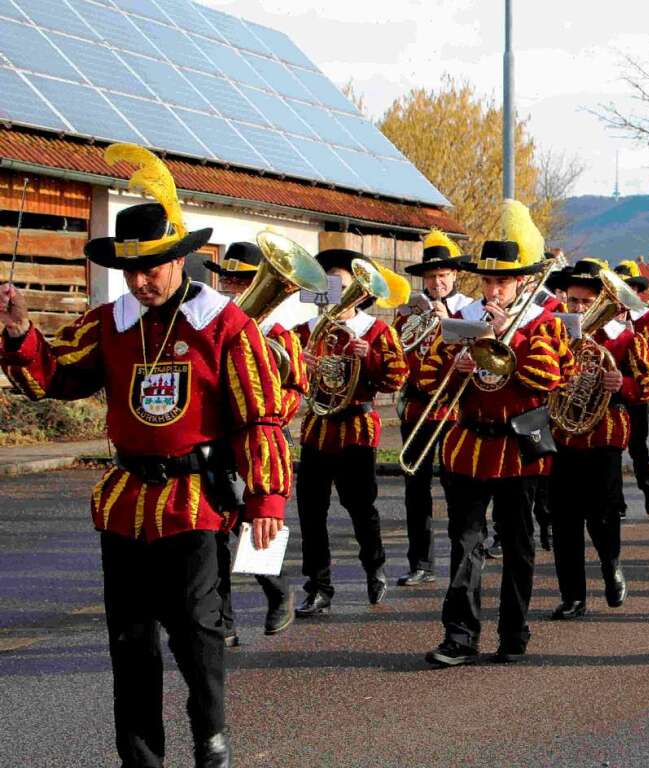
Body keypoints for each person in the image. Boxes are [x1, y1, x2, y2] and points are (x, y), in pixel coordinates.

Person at [0, 143, 289, 767]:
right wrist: (22, 332)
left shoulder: (225, 325)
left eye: (152, 267)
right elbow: (57, 376)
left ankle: (211, 739)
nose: (140, 280)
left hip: (197, 505)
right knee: (131, 645)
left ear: (178, 258)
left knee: (195, 634)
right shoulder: (111, 320)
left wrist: (267, 497)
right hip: (127, 505)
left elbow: (261, 416)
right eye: (131, 269)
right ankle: (140, 760)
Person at [420, 201, 573, 667]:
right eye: (487, 281)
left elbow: (550, 377)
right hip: (467, 445)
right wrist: (454, 360)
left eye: (501, 282)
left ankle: (513, 632)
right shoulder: (462, 322)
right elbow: (426, 378)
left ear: (521, 282)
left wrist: (511, 337)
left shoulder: (543, 323)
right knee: (465, 543)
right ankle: (460, 635)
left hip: (518, 447)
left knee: (519, 543)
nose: (492, 290)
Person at [293, 249, 409, 615]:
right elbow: (285, 378)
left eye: (343, 286)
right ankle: (319, 585)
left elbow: (396, 377)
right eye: (329, 284)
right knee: (311, 511)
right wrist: (301, 365)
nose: (335, 292)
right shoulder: (306, 330)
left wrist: (369, 356)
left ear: (360, 292)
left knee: (361, 507)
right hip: (317, 427)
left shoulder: (376, 330)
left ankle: (374, 567)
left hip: (357, 427)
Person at [205, 241, 307, 644]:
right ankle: (223, 621)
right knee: (212, 528)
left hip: (258, 438)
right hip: (214, 440)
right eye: (228, 279)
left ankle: (278, 588)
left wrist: (256, 410)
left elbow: (294, 389)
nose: (232, 287)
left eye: (242, 280)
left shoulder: (281, 334)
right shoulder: (211, 326)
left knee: (253, 523)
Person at [548, 260, 649, 619]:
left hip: (603, 435)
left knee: (602, 514)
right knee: (564, 518)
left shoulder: (626, 338)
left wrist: (621, 384)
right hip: (563, 434)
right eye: (573, 301)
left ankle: (611, 565)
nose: (577, 308)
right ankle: (573, 596)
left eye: (585, 301)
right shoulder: (557, 336)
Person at [395, 230, 473, 586]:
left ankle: (466, 551)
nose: (437, 282)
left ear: (454, 276)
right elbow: (400, 354)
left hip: (456, 410)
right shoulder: (409, 311)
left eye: (443, 276)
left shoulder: (470, 310)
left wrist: (448, 321)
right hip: (417, 409)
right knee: (416, 488)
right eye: (430, 276)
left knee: (460, 485)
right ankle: (421, 562)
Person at [615, 260, 649, 516]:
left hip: (638, 387)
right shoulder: (606, 316)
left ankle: (648, 488)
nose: (626, 292)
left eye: (630, 288)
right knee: (611, 447)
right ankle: (617, 502)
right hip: (610, 388)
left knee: (637, 446)